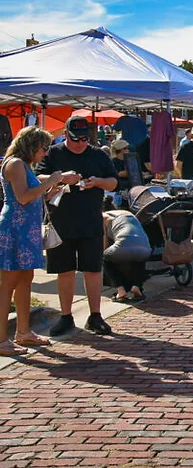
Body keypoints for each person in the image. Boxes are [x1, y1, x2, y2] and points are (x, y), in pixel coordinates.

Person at [37, 116, 118, 337]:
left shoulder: (98, 154)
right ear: (65, 135)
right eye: (76, 139)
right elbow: (38, 178)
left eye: (84, 139)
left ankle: (95, 315)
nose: (81, 144)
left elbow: (113, 182)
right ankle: (66, 316)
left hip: (90, 221)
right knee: (65, 271)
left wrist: (97, 182)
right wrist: (61, 178)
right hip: (61, 223)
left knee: (92, 269)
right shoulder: (54, 153)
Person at [0, 127, 63, 354]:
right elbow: (23, 197)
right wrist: (51, 180)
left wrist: (52, 188)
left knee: (26, 278)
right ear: (32, 145)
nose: (45, 154)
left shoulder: (24, 165)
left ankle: (23, 332)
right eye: (43, 148)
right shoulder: (15, 164)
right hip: (15, 229)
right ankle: (1, 340)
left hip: (27, 229)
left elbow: (32, 195)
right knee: (7, 284)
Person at [102, 209, 151, 302]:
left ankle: (120, 290)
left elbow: (105, 244)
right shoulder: (127, 213)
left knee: (105, 258)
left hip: (124, 244)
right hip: (145, 247)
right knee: (139, 259)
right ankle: (136, 286)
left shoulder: (103, 217)